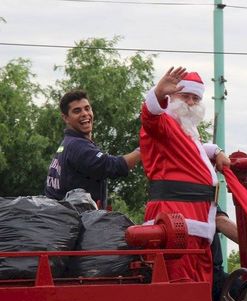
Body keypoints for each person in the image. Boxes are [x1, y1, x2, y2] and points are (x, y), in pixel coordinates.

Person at [139, 66, 230, 283]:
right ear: (171, 97)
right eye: (184, 96)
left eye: (195, 98)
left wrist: (215, 150)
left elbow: (192, 148)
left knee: (199, 287)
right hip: (177, 224)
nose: (190, 102)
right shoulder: (164, 123)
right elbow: (150, 117)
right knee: (181, 287)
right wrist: (158, 94)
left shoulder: (186, 131)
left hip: (195, 224)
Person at [45, 90, 140, 209]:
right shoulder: (77, 146)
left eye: (87, 108)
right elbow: (113, 166)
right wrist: (144, 149)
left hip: (62, 221)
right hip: (74, 223)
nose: (85, 114)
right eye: (77, 111)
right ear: (66, 118)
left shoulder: (68, 144)